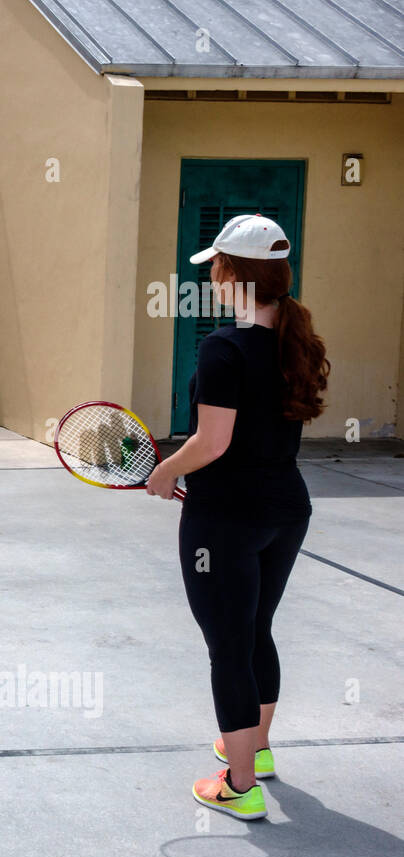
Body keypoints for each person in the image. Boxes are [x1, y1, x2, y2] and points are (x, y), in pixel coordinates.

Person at [146, 214, 330, 820]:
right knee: (255, 631)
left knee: (228, 646)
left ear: (230, 273)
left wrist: (168, 469)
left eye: (217, 267)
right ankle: (258, 749)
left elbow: (214, 440)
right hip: (286, 509)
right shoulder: (293, 340)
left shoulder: (224, 346)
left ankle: (239, 785)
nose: (214, 277)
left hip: (226, 517)